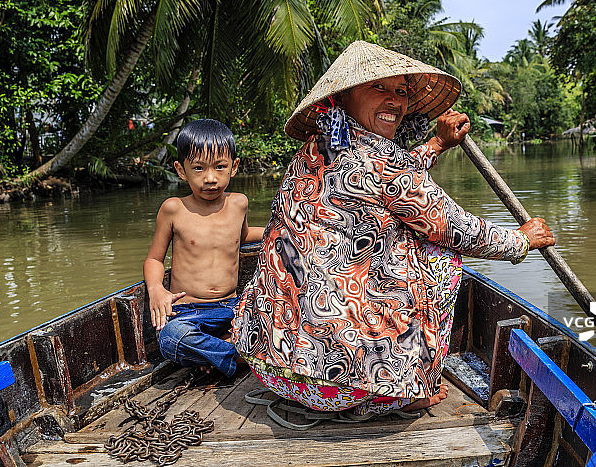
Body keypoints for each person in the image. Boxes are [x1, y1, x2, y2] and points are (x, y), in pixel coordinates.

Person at [233, 41, 554, 415]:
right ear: (341, 98)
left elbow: (389, 180)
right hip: (342, 386)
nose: (394, 101)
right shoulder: (385, 164)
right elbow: (456, 228)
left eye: (401, 91)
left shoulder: (316, 148)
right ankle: (404, 387)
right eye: (378, 88)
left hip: (273, 368)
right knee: (438, 253)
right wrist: (521, 240)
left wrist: (436, 143)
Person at [144, 118, 264, 377]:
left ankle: (215, 353)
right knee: (170, 338)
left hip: (231, 307)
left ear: (234, 167)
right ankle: (238, 355)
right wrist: (156, 289)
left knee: (274, 313)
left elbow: (241, 237)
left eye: (220, 167)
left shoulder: (239, 203)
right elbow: (154, 259)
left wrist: (278, 231)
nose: (210, 178)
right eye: (198, 168)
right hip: (188, 311)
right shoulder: (174, 209)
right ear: (181, 169)